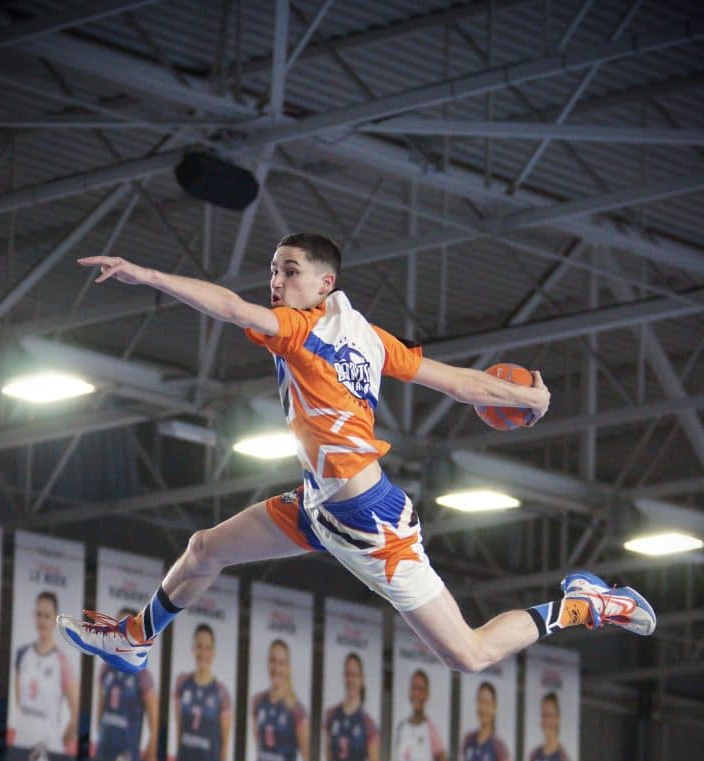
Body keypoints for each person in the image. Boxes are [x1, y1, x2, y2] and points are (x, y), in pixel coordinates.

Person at [57, 236, 656, 680]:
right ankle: (135, 638)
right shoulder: (366, 335)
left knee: (469, 655)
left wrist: (149, 273)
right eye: (271, 270)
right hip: (319, 508)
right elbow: (458, 384)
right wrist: (525, 395)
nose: (275, 281)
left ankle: (586, 603)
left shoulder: (301, 330)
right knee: (203, 550)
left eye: (289, 271)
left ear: (324, 284)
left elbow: (231, 309)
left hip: (373, 524)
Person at [12, 591, 79, 761]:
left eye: (47, 616)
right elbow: (20, 701)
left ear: (55, 620)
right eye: (39, 614)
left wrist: (58, 743)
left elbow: (76, 713)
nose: (42, 620)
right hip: (22, 743)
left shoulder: (62, 662)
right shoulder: (22, 654)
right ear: (33, 615)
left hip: (48, 751)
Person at [94, 608, 159, 761]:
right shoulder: (105, 668)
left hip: (129, 756)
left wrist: (147, 755)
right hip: (104, 749)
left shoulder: (143, 675)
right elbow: (100, 710)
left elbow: (154, 723)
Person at [173, 624, 232, 761]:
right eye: (199, 646)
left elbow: (224, 743)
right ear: (193, 648)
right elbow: (179, 730)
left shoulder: (222, 693)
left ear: (213, 652)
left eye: (207, 648)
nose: (203, 653)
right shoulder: (182, 683)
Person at [250, 638, 309, 761]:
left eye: (282, 663)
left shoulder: (297, 710)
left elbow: (307, 760)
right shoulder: (258, 701)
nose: (276, 668)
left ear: (288, 667)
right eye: (273, 661)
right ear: (268, 663)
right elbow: (258, 746)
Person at [323, 652, 378, 761]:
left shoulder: (368, 724)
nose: (350, 679)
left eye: (354, 674)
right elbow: (328, 759)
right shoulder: (331, 715)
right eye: (347, 674)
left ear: (361, 679)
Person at [393, 668, 447, 761]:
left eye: (420, 689)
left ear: (426, 694)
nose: (416, 693)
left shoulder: (431, 730)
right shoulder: (401, 728)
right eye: (413, 688)